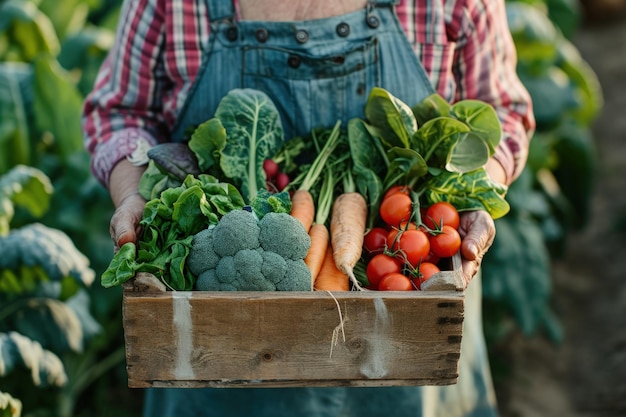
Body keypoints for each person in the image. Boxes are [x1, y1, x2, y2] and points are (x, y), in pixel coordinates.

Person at [83, 0, 535, 416]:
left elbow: (504, 111)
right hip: (217, 356)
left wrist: (476, 189)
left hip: (406, 318)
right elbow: (119, 111)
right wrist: (131, 193)